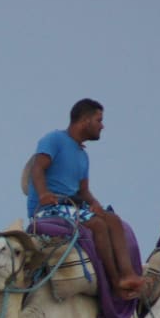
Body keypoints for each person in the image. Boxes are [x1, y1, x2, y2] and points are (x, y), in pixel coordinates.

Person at [27, 98, 144, 300]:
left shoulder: (82, 155)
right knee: (97, 225)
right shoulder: (54, 140)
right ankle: (115, 282)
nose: (102, 126)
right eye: (99, 120)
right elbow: (37, 168)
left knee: (112, 220)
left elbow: (84, 191)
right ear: (84, 121)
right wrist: (44, 193)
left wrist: (96, 204)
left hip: (73, 205)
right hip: (49, 207)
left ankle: (128, 274)